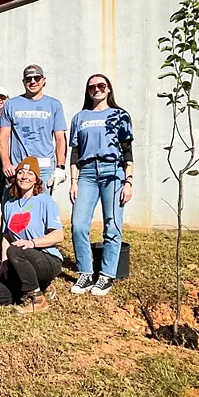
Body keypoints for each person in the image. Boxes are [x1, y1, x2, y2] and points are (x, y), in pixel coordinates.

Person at [69, 74, 134, 296]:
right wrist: (73, 181)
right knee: (78, 224)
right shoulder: (80, 117)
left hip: (113, 171)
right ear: (87, 91)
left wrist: (128, 181)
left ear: (108, 89)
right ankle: (85, 273)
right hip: (87, 173)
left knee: (112, 224)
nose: (96, 89)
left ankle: (106, 275)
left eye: (101, 85)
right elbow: (75, 152)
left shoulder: (120, 115)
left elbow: (127, 150)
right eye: (92, 87)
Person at [0, 157, 63, 314]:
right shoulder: (9, 205)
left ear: (36, 179)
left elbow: (58, 235)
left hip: (47, 259)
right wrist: (3, 266)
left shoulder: (45, 201)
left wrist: (32, 243)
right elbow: (7, 237)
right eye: (21, 172)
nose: (24, 177)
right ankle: (37, 286)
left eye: (30, 173)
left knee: (16, 250)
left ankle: (38, 299)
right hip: (19, 259)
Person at [0, 64, 67, 190]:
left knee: (42, 201)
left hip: (44, 169)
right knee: (15, 202)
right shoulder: (11, 104)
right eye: (29, 78)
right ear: (23, 82)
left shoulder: (54, 105)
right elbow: (3, 137)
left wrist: (60, 167)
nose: (33, 81)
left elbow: (60, 138)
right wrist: (6, 163)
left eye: (37, 78)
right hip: (18, 167)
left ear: (43, 80)